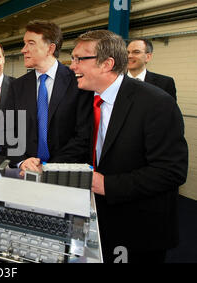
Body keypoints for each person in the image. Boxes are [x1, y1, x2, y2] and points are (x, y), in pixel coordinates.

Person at [70, 30, 188, 263]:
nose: (72, 66)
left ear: (107, 64)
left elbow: (171, 171)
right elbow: (82, 143)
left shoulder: (157, 104)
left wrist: (107, 184)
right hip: (99, 221)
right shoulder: (88, 98)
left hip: (139, 230)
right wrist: (44, 165)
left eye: (78, 59)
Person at [1, 20, 93, 176]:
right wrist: (22, 161)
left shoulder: (78, 82)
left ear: (50, 48)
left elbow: (83, 136)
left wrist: (49, 168)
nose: (23, 50)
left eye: (31, 43)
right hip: (27, 172)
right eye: (24, 43)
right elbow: (8, 131)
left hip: (65, 173)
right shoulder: (17, 86)